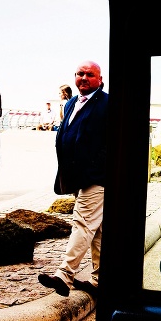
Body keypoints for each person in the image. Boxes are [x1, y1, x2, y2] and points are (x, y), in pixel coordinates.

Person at [37, 60, 108, 297]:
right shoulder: (70, 104)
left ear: (100, 79)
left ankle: (64, 275)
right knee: (97, 230)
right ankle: (100, 280)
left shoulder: (107, 104)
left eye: (90, 74)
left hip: (97, 178)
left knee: (83, 222)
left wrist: (97, 167)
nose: (84, 78)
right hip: (77, 177)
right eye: (80, 74)